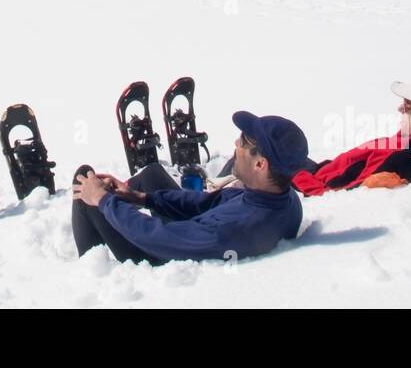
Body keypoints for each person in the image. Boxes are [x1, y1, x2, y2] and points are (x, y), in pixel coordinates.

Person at [71, 112, 305, 265]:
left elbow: (158, 235)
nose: (236, 143)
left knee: (85, 183)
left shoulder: (232, 229)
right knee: (152, 173)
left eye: (243, 140)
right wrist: (142, 198)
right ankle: (114, 204)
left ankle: (93, 273)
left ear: (260, 164)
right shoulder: (283, 197)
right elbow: (208, 203)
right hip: (189, 235)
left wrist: (103, 200)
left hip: (157, 254)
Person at [292, 75, 411, 196]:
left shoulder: (407, 159)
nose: (400, 108)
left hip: (305, 181)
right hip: (318, 171)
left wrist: (295, 177)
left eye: (408, 106)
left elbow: (338, 194)